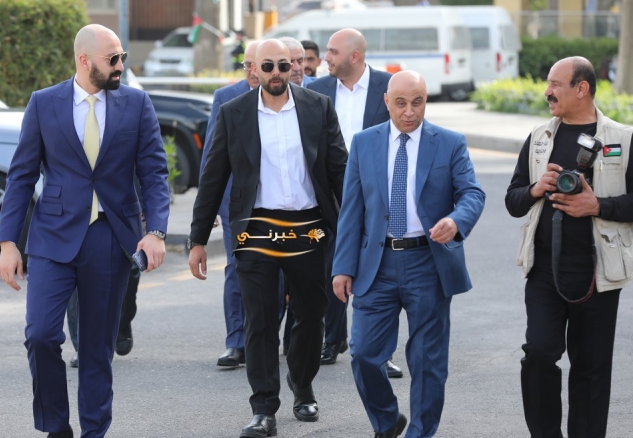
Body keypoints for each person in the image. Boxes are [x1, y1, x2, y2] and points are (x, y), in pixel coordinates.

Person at [0, 24, 171, 438]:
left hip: (109, 238)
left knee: (96, 349)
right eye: (112, 59)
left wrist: (156, 231)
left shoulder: (136, 103)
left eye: (122, 57)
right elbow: (21, 176)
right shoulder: (44, 103)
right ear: (84, 60)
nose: (120, 65)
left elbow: (154, 173)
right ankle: (57, 428)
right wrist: (8, 242)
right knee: (41, 335)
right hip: (52, 237)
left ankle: (95, 432)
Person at [187, 39, 347, 438]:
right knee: (258, 319)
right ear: (254, 69)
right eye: (268, 66)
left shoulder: (318, 107)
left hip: (308, 226)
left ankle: (302, 383)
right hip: (256, 227)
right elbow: (212, 177)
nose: (276, 73)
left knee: (311, 313)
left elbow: (339, 170)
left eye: (283, 66)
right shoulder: (234, 113)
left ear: (293, 67)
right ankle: (263, 408)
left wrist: (353, 227)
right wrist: (198, 239)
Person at [505, 56, 633, 438]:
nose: (547, 91)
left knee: (591, 369)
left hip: (599, 272)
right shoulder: (539, 138)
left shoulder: (622, 138)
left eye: (555, 84)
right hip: (545, 271)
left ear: (582, 88)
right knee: (538, 354)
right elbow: (512, 200)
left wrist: (597, 205)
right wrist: (536, 189)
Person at [333, 70, 485, 438]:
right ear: (386, 101)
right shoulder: (364, 143)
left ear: (426, 100)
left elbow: (472, 193)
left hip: (427, 262)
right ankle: (387, 421)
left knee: (427, 360)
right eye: (400, 103)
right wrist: (342, 267)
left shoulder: (449, 142)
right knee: (363, 353)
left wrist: (455, 220)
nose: (409, 112)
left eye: (417, 102)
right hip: (377, 263)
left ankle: (420, 432)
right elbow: (352, 210)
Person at [308, 28, 401, 378]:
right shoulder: (316, 90)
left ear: (355, 56)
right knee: (331, 265)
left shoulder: (388, 87)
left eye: (333, 52)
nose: (326, 58)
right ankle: (333, 339)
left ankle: (381, 352)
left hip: (378, 194)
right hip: (330, 194)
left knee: (379, 271)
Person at [200, 40, 261, 368]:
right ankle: (235, 341)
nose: (251, 71)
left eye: (257, 64)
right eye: (246, 65)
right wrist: (206, 205)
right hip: (234, 203)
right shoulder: (226, 97)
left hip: (278, 204)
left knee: (275, 273)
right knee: (237, 268)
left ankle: (263, 337)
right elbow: (213, 154)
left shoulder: (290, 99)